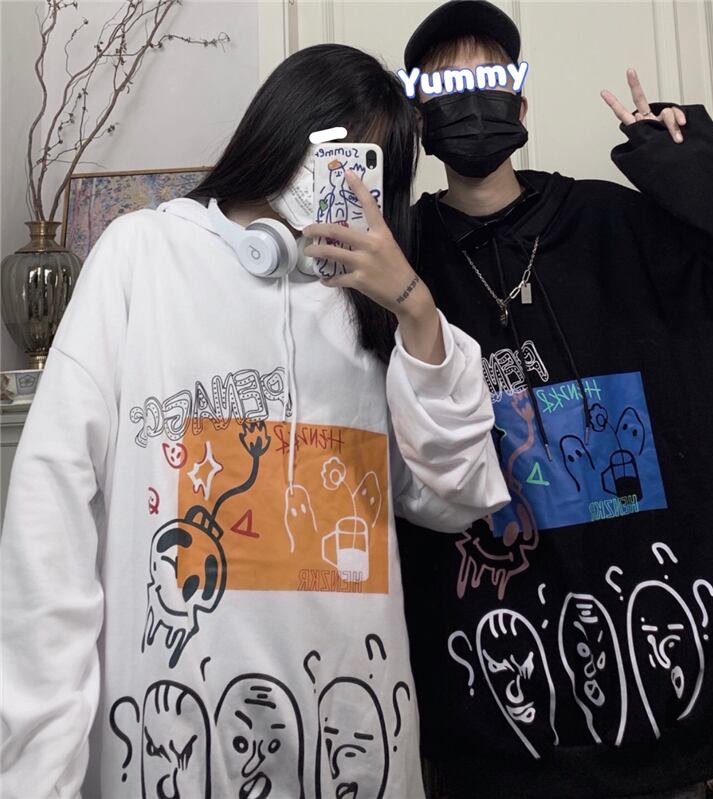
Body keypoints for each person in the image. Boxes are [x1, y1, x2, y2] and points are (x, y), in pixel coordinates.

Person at [0, 43, 509, 799]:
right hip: (176, 734)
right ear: (281, 130)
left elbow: (458, 495)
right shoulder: (143, 254)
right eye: (334, 152)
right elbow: (51, 512)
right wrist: (39, 773)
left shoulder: (377, 309)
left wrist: (415, 310)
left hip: (350, 735)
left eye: (370, 168)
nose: (344, 183)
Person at [396, 2, 713, 798]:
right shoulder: (400, 258)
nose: (469, 101)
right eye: (444, 87)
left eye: (488, 79)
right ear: (418, 118)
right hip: (490, 728)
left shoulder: (616, 226)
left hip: (655, 714)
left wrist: (684, 166)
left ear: (521, 103)